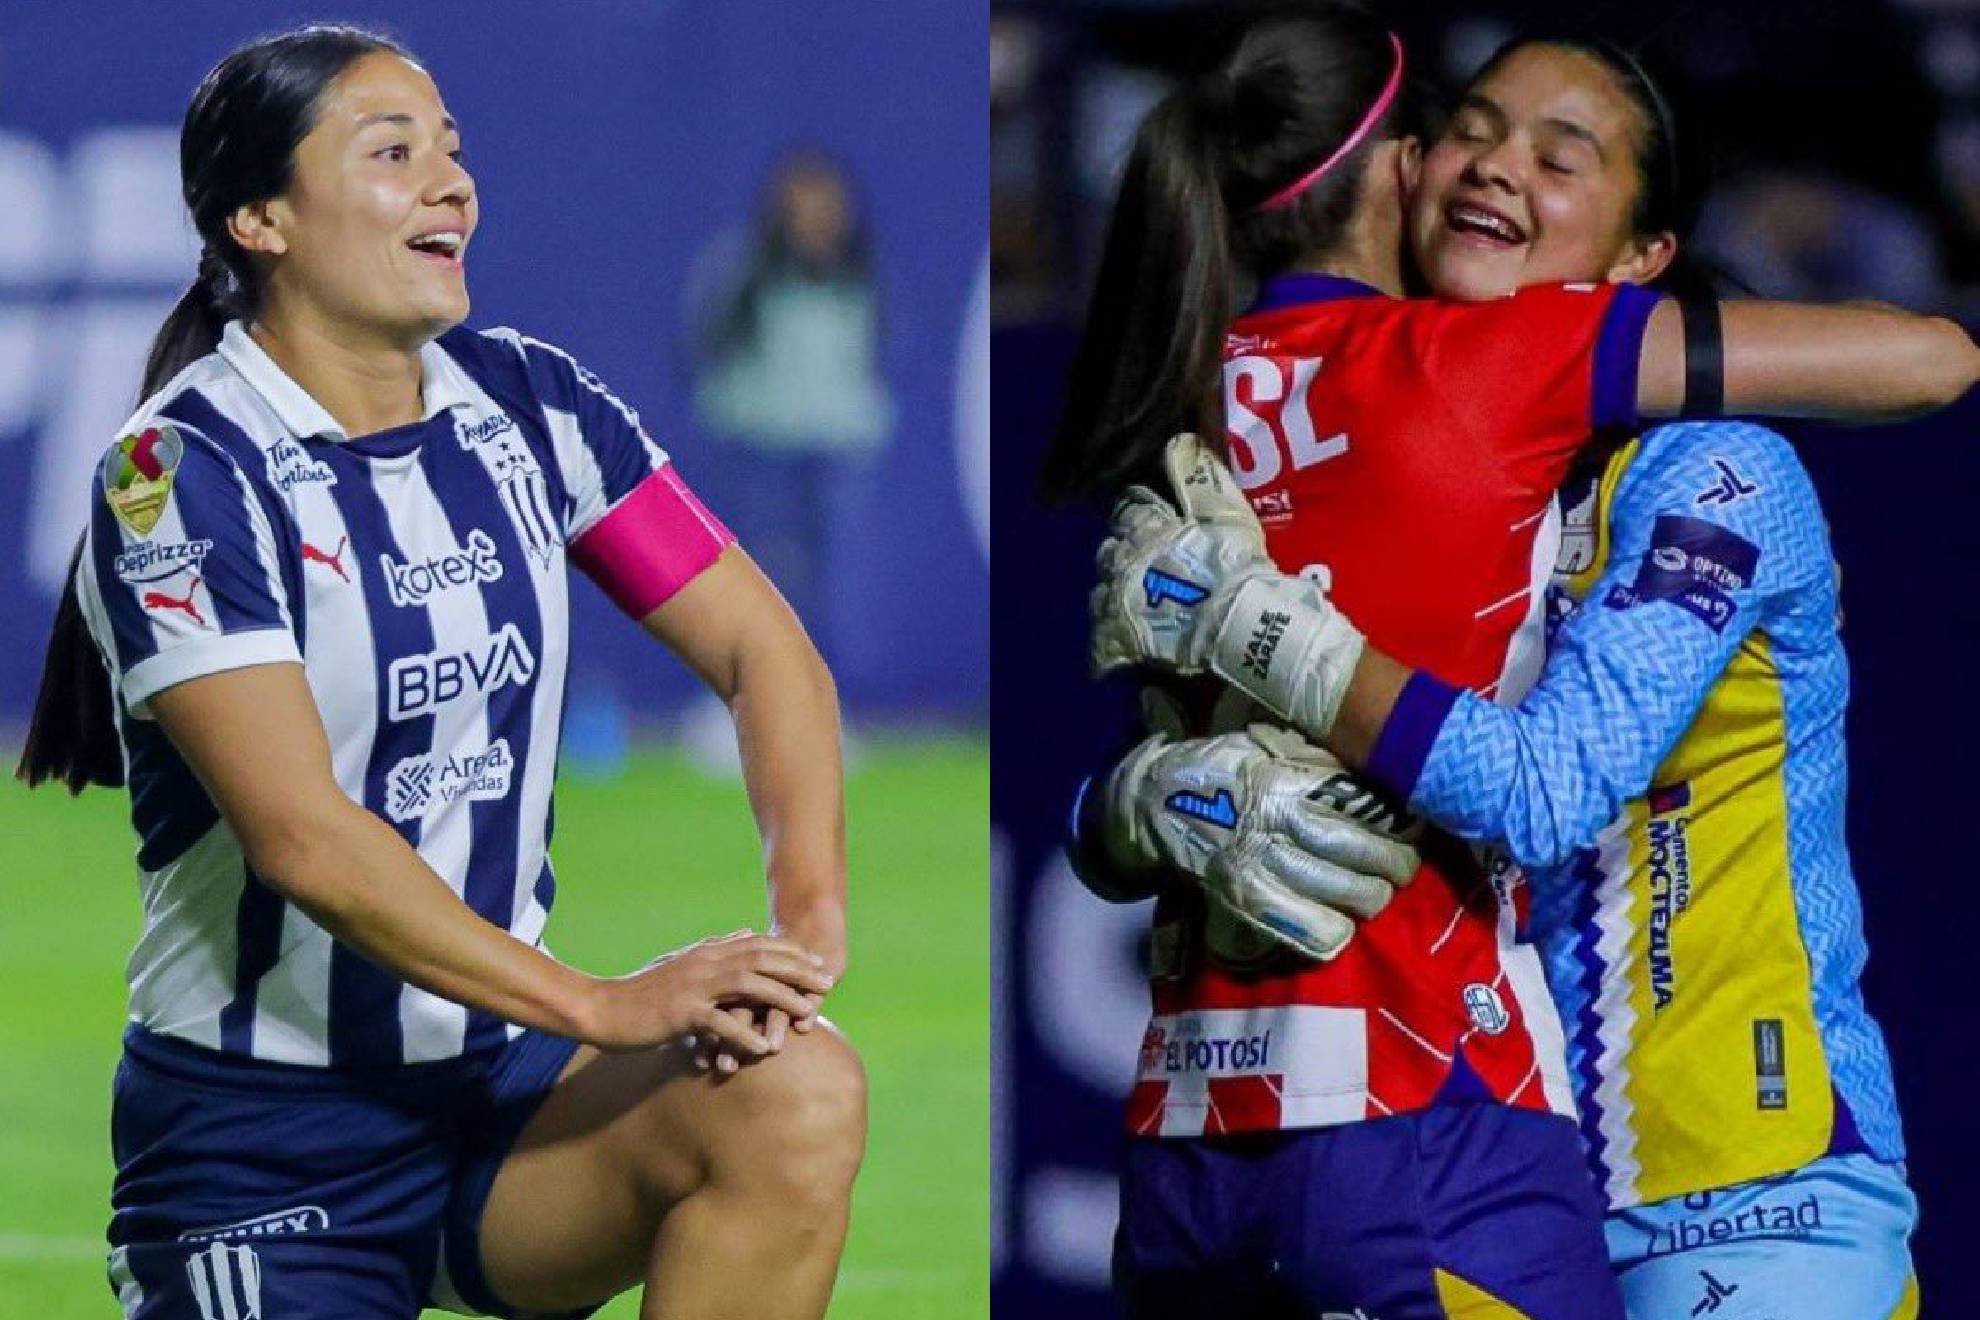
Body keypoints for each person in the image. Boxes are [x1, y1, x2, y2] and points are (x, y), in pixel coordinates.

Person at [1045, 11, 1969, 1317]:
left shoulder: (1717, 471)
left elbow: (1539, 790)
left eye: (1559, 155)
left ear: (1640, 259)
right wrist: (1140, 805)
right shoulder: (1415, 427)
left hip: (1756, 1200)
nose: (1493, 167)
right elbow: (1171, 767)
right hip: (1508, 1167)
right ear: (1405, 172)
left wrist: (1264, 630)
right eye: (1471, 132)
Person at [15, 26, 863, 1320]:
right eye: (393, 153)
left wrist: (801, 937)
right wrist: (605, 1003)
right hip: (263, 1143)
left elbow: (767, 653)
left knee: (796, 1091)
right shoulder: (178, 478)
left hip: (504, 1106)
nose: (451, 185)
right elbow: (303, 838)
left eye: (453, 153)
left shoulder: (532, 410)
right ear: (260, 217)